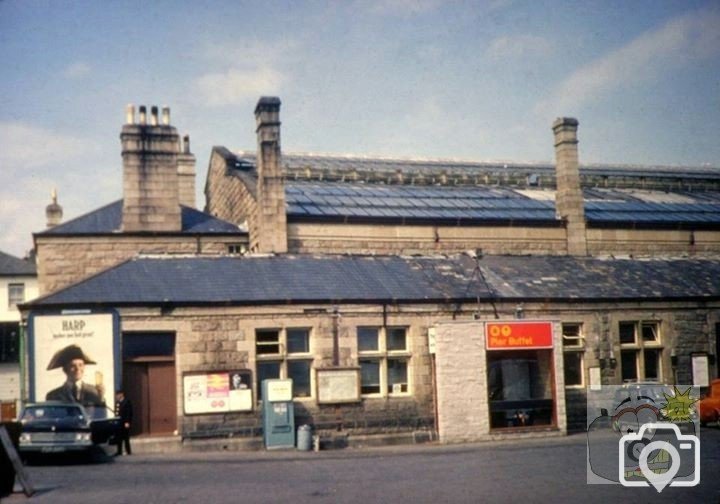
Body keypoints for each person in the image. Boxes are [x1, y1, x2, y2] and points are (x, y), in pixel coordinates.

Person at [114, 390, 133, 456]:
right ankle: (119, 451)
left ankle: (128, 451)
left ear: (121, 394)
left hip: (124, 422)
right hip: (119, 423)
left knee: (126, 437)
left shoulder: (126, 402)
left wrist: (127, 421)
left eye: (118, 395)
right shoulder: (118, 403)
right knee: (119, 437)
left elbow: (128, 413)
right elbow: (117, 413)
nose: (117, 396)